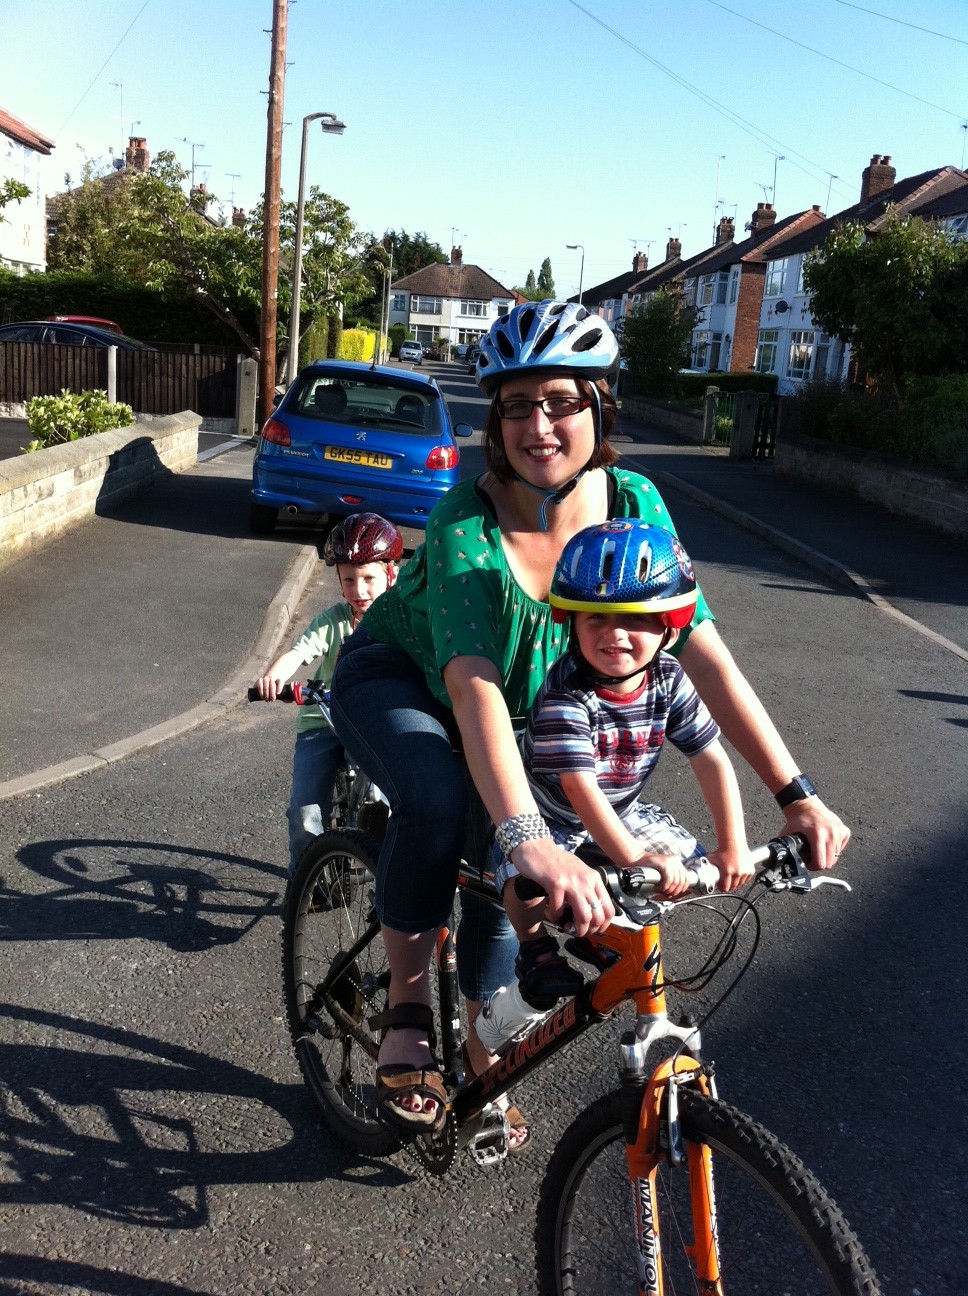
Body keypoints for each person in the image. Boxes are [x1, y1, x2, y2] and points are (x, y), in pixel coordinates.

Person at [329, 299, 849, 1140]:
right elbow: (474, 688)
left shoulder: (635, 501)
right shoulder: (468, 520)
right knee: (443, 802)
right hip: (400, 677)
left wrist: (795, 792)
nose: (539, 425)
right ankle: (407, 1003)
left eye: (562, 400)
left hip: (521, 704)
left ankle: (481, 1034)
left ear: (598, 408)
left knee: (508, 878)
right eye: (516, 405)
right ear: (494, 420)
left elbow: (704, 653)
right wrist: (525, 833)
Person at [495, 520, 751, 1007]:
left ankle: (601, 930)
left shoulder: (668, 679)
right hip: (548, 814)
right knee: (524, 880)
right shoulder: (568, 696)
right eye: (595, 618)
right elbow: (579, 788)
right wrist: (632, 856)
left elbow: (710, 757)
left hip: (622, 808)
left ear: (669, 623)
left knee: (689, 876)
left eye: (635, 618)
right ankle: (534, 948)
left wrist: (732, 845)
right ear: (570, 621)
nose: (614, 634)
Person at [253, 513, 402, 875]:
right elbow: (301, 651)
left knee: (383, 799)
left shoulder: (399, 620)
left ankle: (384, 870)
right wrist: (274, 676)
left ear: (390, 575)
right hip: (322, 719)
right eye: (349, 580)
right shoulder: (334, 620)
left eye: (369, 578)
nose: (359, 590)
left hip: (369, 721)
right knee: (305, 812)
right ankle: (305, 880)